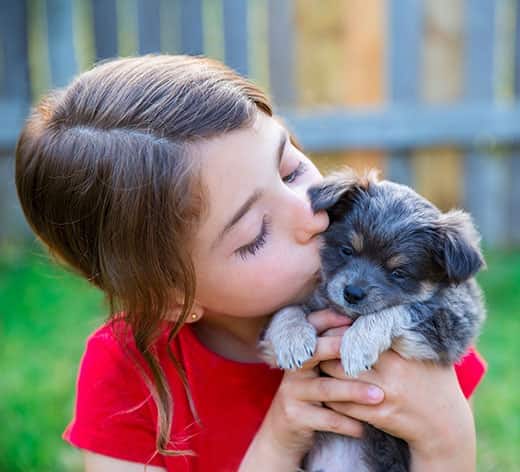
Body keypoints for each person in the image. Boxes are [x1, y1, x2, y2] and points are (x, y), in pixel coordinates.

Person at [15, 54, 486, 472]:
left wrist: (446, 434)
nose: (308, 213)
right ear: (173, 296)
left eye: (290, 169)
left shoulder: (404, 335)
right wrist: (280, 439)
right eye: (255, 234)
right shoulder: (125, 375)